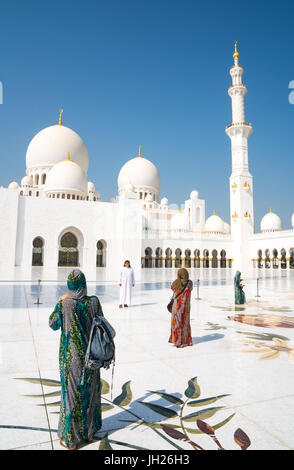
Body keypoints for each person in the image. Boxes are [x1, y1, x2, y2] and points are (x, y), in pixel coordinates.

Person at [49, 269, 103, 450]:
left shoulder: (65, 305)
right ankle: (88, 433)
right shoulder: (94, 302)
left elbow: (53, 324)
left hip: (71, 358)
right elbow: (101, 322)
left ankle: (70, 439)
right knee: (91, 392)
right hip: (92, 356)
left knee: (71, 395)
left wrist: (60, 301)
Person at [169, 268, 193, 348]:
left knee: (177, 323)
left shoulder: (176, 282)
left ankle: (179, 342)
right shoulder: (190, 283)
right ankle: (188, 341)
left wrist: (178, 279)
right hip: (186, 306)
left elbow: (172, 288)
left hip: (178, 307)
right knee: (186, 323)